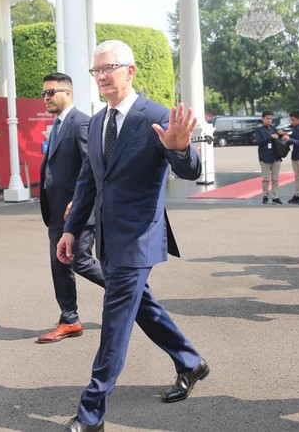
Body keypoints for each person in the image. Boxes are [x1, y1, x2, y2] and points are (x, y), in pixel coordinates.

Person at [56, 40, 208, 432]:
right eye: (97, 70)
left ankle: (91, 414)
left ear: (131, 70)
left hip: (139, 238)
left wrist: (182, 148)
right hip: (107, 238)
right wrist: (72, 231)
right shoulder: (99, 120)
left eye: (110, 68)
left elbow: (188, 169)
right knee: (142, 306)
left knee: (114, 323)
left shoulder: (154, 115)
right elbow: (89, 181)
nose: (103, 76)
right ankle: (191, 362)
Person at [37, 72, 105, 344]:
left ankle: (131, 291)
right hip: (55, 213)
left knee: (80, 260)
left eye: (51, 92)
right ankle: (70, 319)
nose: (46, 98)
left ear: (68, 93)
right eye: (43, 93)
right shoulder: (57, 125)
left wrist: (78, 200)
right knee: (59, 264)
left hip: (76, 212)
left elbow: (93, 168)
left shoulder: (81, 123)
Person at [255, 110, 286, 204]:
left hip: (275, 156)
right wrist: (270, 137)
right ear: (263, 119)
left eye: (271, 119)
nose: (269, 120)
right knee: (265, 179)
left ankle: (275, 196)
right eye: (267, 118)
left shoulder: (274, 128)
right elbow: (259, 142)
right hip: (265, 157)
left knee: (275, 179)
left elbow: (277, 139)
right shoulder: (259, 130)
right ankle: (265, 195)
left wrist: (280, 135)